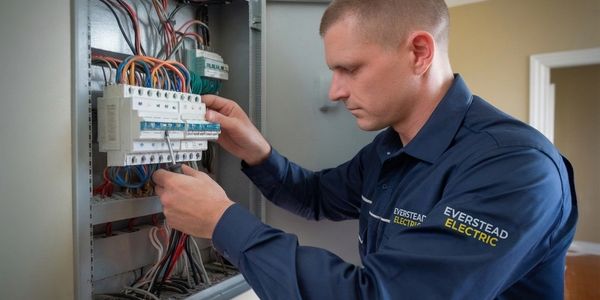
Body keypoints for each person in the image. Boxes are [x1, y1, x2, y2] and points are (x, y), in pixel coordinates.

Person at [153, 0, 578, 298]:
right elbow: (316, 196)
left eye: (349, 69)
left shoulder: (516, 169)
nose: (335, 91)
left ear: (419, 52)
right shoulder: (390, 148)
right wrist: (258, 153)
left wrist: (222, 221)